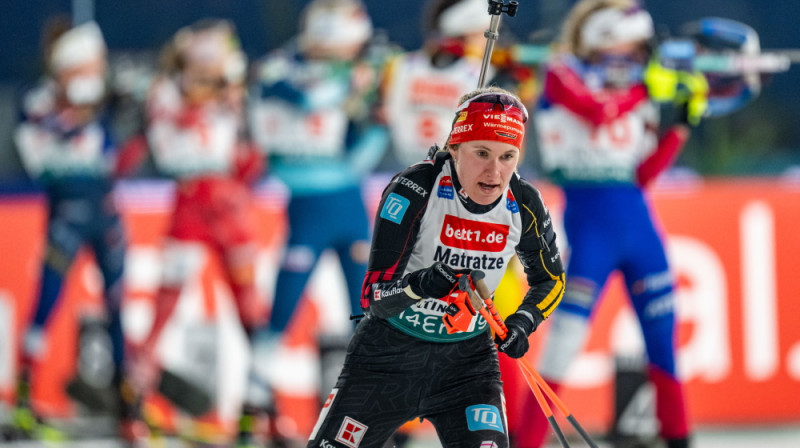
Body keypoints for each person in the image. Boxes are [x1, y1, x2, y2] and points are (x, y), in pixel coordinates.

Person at [306, 86, 565, 448]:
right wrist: (423, 284)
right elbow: (373, 297)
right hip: (388, 358)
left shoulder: (523, 202)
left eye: (508, 156)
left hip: (466, 364)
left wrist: (523, 323)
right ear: (455, 148)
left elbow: (551, 281)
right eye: (481, 153)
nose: (494, 171)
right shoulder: (415, 187)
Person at [520, 1, 707, 447]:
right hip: (591, 227)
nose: (640, 57)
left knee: (663, 343)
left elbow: (643, 174)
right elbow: (596, 110)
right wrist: (647, 89)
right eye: (633, 46)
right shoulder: (561, 70)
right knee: (564, 343)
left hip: (640, 225)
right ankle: (524, 441)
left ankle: (678, 437)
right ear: (604, 38)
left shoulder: (637, 83)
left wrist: (680, 123)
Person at [245, 0, 388, 441]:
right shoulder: (282, 68)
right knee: (281, 312)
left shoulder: (353, 72)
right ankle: (252, 403)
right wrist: (347, 83)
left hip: (347, 205)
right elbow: (296, 96)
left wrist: (368, 116)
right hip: (307, 208)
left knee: (367, 315)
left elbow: (371, 136)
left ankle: (376, 415)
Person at [11, 18, 145, 443]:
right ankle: (24, 399)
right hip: (66, 212)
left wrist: (128, 116)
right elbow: (42, 145)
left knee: (116, 306)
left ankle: (127, 407)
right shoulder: (38, 101)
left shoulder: (101, 101)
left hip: (103, 212)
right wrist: (81, 107)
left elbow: (120, 159)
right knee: (46, 302)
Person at [133, 18, 264, 421]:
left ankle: (260, 404)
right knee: (165, 306)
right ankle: (135, 398)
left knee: (250, 308)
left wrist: (236, 100)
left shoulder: (232, 94)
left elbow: (250, 154)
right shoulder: (167, 89)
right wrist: (215, 87)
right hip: (189, 203)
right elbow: (177, 121)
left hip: (226, 203)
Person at [379, 0, 491, 169]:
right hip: (453, 171)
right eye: (484, 34)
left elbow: (383, 116)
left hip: (401, 168)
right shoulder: (481, 74)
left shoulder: (402, 66)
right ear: (470, 34)